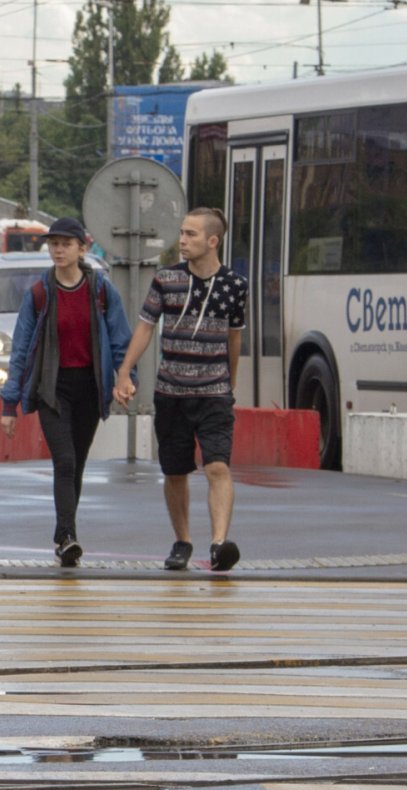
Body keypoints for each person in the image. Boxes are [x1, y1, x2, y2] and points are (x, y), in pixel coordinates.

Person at [113, 207, 249, 572]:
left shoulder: (235, 286)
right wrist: (125, 372)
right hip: (171, 392)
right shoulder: (166, 280)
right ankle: (183, 541)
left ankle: (220, 544)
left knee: (218, 466)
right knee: (175, 471)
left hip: (214, 394)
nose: (182, 240)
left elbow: (233, 339)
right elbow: (144, 328)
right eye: (182, 233)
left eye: (190, 234)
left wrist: (230, 384)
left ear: (212, 241)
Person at [0, 218, 132, 567]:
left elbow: (121, 340)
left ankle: (65, 535)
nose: (57, 250)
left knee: (78, 464)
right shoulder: (40, 294)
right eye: (53, 244)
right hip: (52, 388)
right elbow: (21, 348)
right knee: (66, 460)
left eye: (65, 244)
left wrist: (123, 378)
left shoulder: (101, 291)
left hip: (89, 388)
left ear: (82, 249)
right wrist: (9, 403)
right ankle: (67, 536)